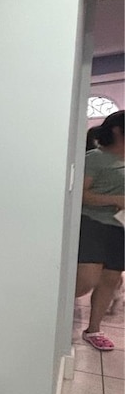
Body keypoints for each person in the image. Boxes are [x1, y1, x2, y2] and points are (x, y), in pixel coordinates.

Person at [75, 110, 125, 350]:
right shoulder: (94, 158)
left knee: (111, 280)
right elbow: (81, 196)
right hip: (93, 222)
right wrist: (114, 198)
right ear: (117, 131)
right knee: (86, 279)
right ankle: (55, 312)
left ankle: (93, 329)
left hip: (120, 227)